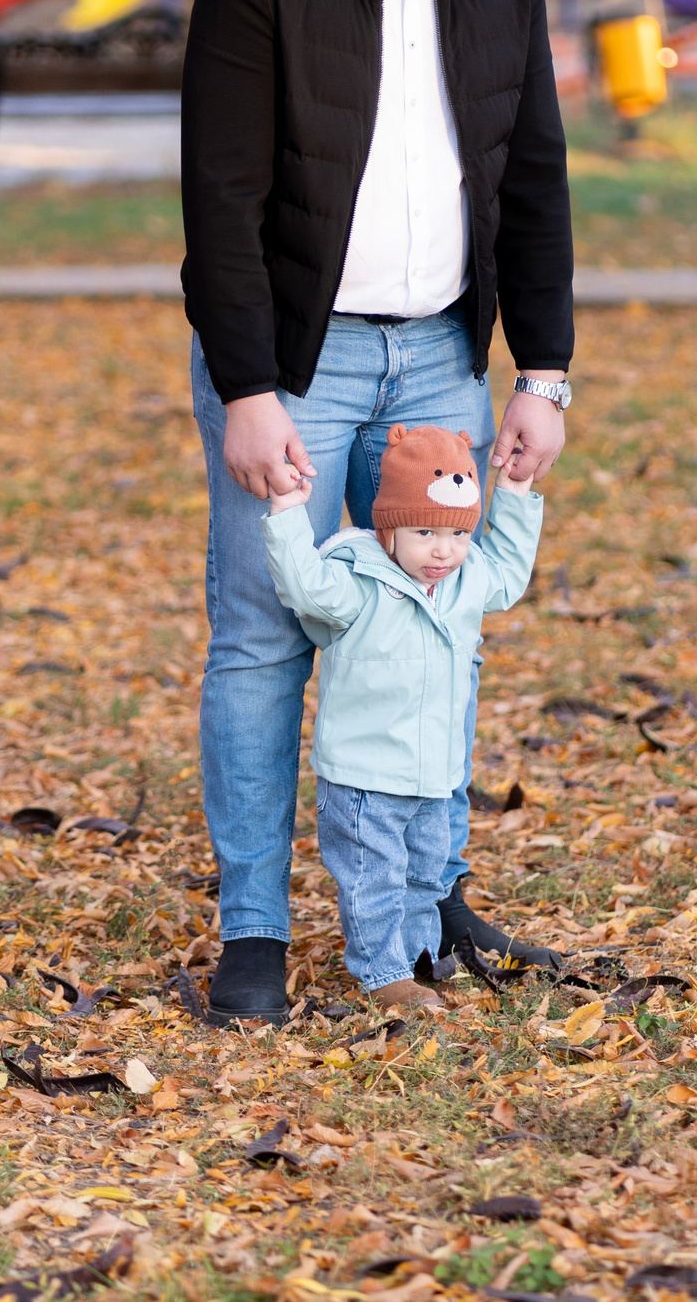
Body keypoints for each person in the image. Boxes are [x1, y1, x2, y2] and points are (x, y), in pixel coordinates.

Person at [180, 0, 576, 1021]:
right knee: (259, 639)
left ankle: (424, 895)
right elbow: (222, 202)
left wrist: (541, 372)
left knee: (435, 630)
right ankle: (253, 930)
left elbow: (535, 181)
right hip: (299, 358)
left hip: (442, 358)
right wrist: (249, 388)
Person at [261, 427, 541, 1016]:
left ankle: (417, 961)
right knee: (374, 880)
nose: (442, 551)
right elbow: (302, 588)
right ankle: (383, 973)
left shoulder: (465, 583)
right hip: (365, 776)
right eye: (424, 534)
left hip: (435, 776)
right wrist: (288, 511)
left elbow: (510, 573)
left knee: (424, 876)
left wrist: (514, 497)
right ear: (388, 529)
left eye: (457, 535)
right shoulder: (359, 584)